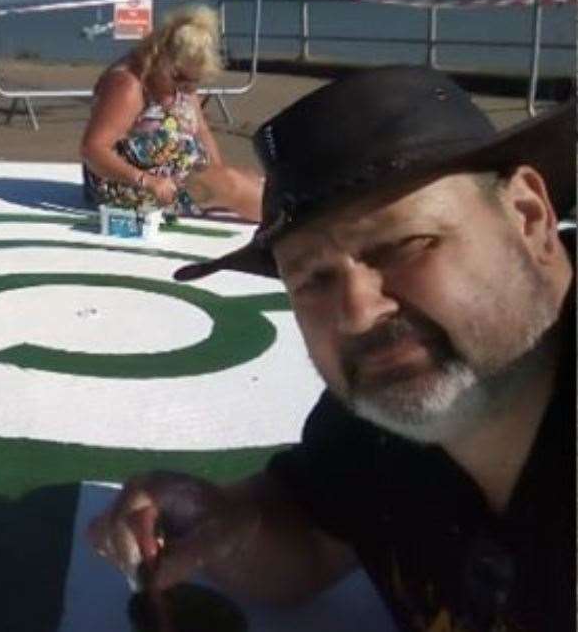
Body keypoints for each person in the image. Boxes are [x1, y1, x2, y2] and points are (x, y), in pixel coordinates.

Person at [88, 66, 576, 632]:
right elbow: (313, 545)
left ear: (528, 217)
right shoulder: (382, 414)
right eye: (312, 279)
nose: (359, 313)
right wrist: (231, 526)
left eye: (405, 244)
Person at [80, 5, 264, 221]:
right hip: (132, 185)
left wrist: (216, 171)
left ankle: (289, 216)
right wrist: (146, 181)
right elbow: (93, 149)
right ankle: (292, 223)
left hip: (172, 172)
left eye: (192, 83)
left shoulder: (179, 78)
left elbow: (201, 129)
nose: (184, 88)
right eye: (179, 78)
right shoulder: (128, 85)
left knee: (248, 179)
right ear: (160, 56)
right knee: (235, 186)